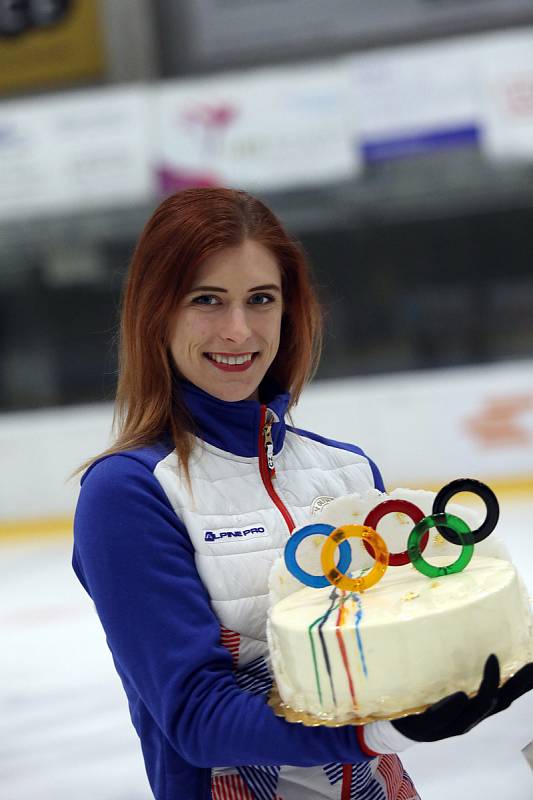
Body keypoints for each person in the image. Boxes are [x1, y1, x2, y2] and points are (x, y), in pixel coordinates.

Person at [71, 188, 533, 800]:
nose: (238, 330)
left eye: (260, 299)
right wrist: (380, 731)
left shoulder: (345, 471)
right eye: (207, 300)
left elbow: (387, 646)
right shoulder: (127, 494)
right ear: (156, 312)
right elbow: (196, 718)